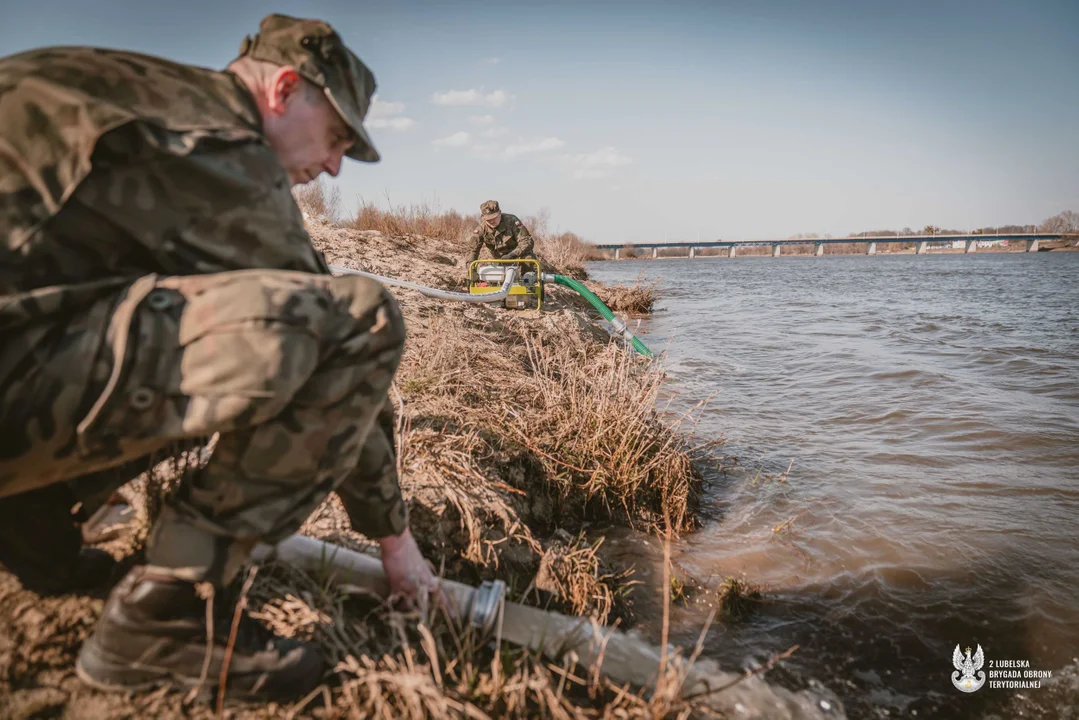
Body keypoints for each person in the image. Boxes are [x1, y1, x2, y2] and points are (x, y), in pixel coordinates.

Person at [0, 13, 438, 702]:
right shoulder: (215, 142)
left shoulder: (87, 79)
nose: (331, 165)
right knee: (359, 320)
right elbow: (336, 335)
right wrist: (391, 535)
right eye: (337, 138)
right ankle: (167, 616)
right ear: (285, 89)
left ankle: (31, 527)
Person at [466, 199, 538, 265]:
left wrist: (512, 255)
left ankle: (527, 278)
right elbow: (472, 251)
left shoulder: (512, 221)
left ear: (500, 213)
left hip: (518, 256)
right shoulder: (481, 229)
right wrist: (472, 272)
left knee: (528, 259)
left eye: (494, 218)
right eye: (488, 220)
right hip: (499, 260)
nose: (491, 221)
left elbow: (527, 241)